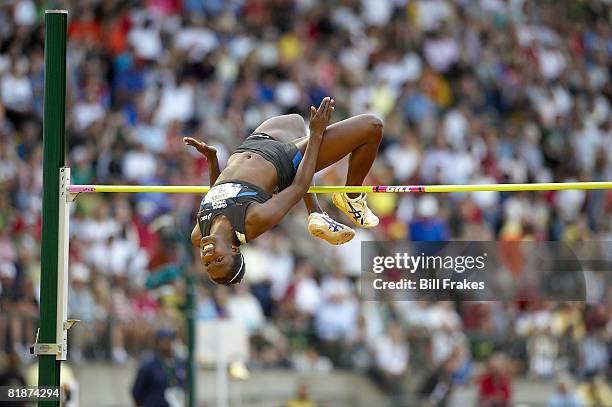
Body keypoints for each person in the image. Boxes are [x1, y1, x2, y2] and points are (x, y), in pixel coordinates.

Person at [188, 97, 383, 285]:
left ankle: (316, 213)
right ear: (234, 250)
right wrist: (315, 135)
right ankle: (351, 197)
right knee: (372, 126)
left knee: (296, 121)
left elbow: (217, 195)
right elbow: (298, 187)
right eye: (218, 260)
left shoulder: (198, 234)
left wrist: (212, 161)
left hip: (252, 144)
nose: (209, 257)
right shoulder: (253, 220)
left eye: (207, 264)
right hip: (283, 160)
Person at [132, 328, 186, 407]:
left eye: (171, 339)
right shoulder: (149, 365)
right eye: (165, 340)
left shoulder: (180, 363)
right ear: (157, 342)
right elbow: (137, 391)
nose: (169, 343)